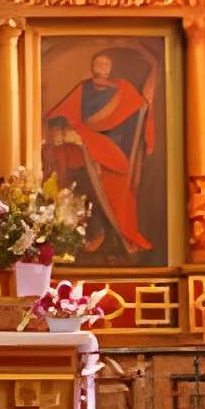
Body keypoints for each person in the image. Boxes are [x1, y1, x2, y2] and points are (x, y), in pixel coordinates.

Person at [48, 52, 157, 258]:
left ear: (111, 67)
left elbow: (138, 108)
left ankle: (117, 238)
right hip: (87, 148)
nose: (103, 66)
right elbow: (64, 112)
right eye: (99, 62)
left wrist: (146, 105)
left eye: (107, 62)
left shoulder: (122, 88)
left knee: (117, 192)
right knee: (88, 190)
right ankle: (94, 235)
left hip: (114, 148)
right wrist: (60, 128)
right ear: (92, 66)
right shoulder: (83, 89)